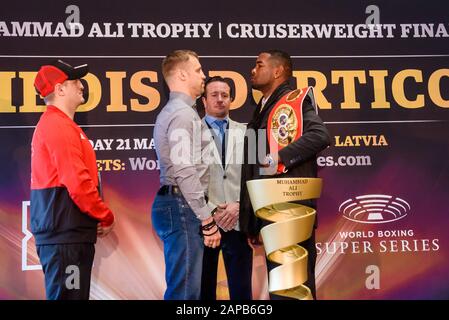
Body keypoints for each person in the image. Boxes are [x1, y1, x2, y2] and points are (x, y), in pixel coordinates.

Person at [239, 50, 331, 299]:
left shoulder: (294, 101)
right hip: (271, 210)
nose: (253, 70)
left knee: (294, 287)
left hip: (291, 211)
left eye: (259, 65)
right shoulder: (262, 110)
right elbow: (257, 168)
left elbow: (320, 136)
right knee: (281, 289)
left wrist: (280, 156)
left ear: (278, 71)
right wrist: (253, 220)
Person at [31, 60, 115, 300]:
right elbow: (77, 182)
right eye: (75, 81)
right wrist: (104, 215)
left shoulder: (61, 124)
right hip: (64, 237)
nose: (82, 85)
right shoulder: (58, 125)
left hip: (67, 234)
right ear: (59, 89)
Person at [152, 50, 221, 300]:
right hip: (182, 207)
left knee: (187, 291)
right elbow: (183, 169)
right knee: (184, 294)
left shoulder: (180, 112)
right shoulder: (182, 114)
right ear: (181, 74)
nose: (204, 75)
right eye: (198, 70)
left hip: (180, 204)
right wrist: (207, 220)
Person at [200, 76, 253, 300]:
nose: (220, 99)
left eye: (225, 95)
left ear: (231, 99)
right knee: (203, 291)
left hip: (237, 221)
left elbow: (257, 176)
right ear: (204, 100)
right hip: (204, 223)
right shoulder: (190, 132)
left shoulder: (249, 132)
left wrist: (239, 206)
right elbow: (186, 178)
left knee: (242, 292)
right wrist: (213, 208)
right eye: (214, 95)